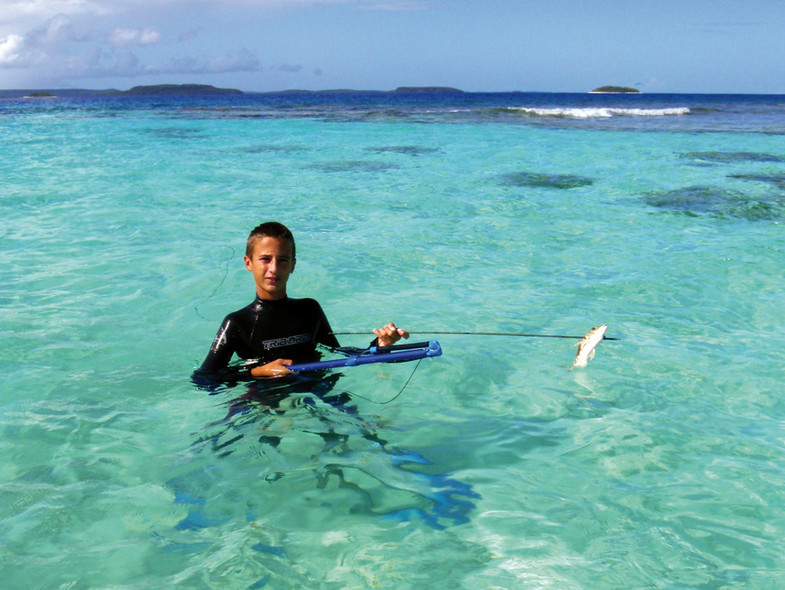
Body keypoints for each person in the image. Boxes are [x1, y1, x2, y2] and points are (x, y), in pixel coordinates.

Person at [194, 221, 408, 384]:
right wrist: (256, 372)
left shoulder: (309, 310)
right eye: (265, 259)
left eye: (283, 260)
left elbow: (340, 354)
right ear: (248, 263)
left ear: (293, 265)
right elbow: (203, 378)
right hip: (266, 397)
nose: (274, 268)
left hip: (314, 386)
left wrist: (380, 345)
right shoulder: (237, 323)